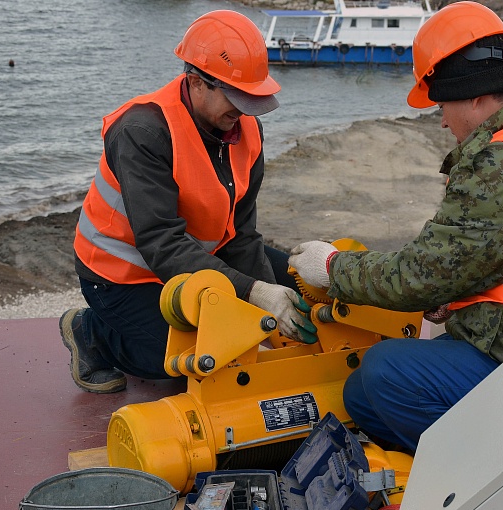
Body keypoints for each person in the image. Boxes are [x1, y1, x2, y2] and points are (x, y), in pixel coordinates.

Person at [288, 1, 503, 451]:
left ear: (476, 95)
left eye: (442, 104)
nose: (441, 119)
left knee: (386, 373)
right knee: (362, 398)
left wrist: (333, 267)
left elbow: (418, 277)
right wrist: (458, 298)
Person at [60, 10, 316, 394]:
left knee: (300, 296)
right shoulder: (142, 131)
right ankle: (91, 332)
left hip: (201, 256)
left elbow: (243, 233)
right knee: (197, 360)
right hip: (122, 276)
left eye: (252, 98)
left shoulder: (245, 128)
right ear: (196, 82)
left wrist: (265, 304)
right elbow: (161, 243)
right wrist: (255, 295)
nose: (244, 110)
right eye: (235, 97)